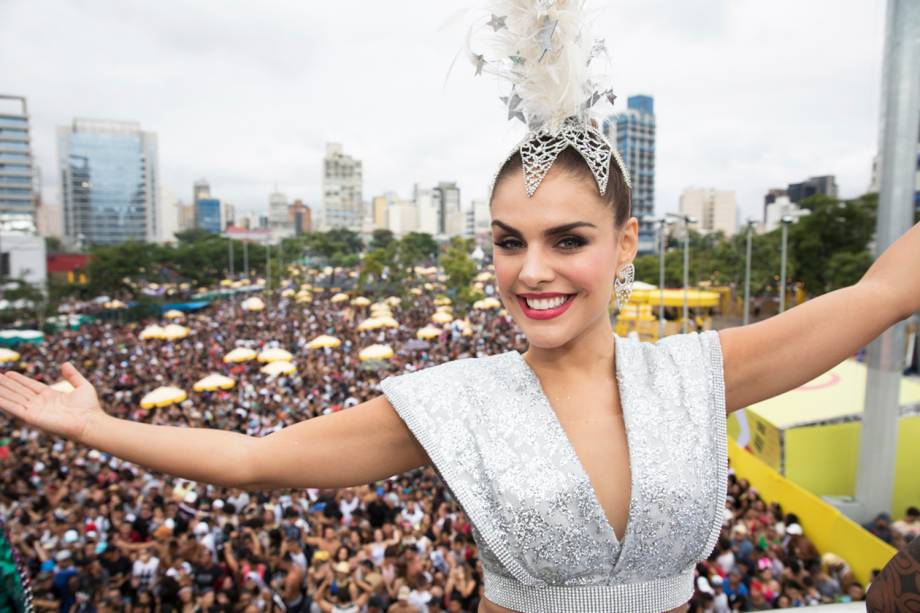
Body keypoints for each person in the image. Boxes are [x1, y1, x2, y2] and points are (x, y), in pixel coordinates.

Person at [2, 4, 920, 613]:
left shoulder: (698, 371)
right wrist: (93, 426)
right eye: (508, 240)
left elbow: (882, 291)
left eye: (568, 238)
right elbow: (252, 462)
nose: (533, 270)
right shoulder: (458, 401)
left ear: (626, 244)